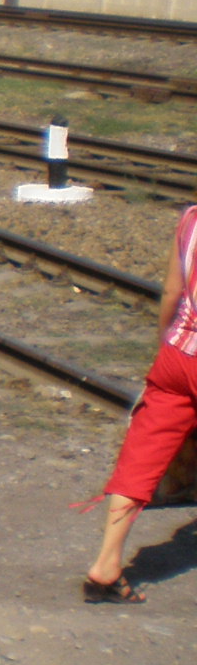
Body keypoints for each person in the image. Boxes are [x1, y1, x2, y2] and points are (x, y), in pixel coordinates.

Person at [83, 202, 197, 602]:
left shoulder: (191, 218)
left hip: (178, 356)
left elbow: (171, 291)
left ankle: (106, 564)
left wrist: (167, 341)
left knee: (142, 459)